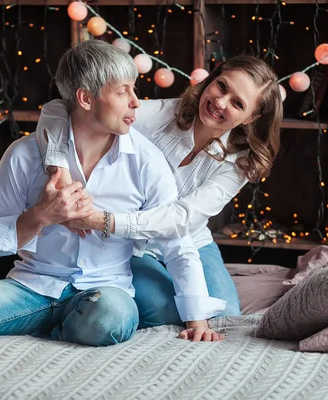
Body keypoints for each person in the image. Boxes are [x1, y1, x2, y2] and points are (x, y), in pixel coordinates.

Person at [0, 40, 226, 356]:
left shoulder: (147, 161)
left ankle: (56, 333)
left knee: (112, 318)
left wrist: (197, 320)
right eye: (123, 91)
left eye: (135, 89)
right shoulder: (24, 155)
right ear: (86, 98)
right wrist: (41, 215)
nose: (135, 102)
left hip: (104, 292)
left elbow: (177, 243)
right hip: (30, 288)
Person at [36, 54, 283, 328]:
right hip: (128, 244)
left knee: (225, 318)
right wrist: (60, 171)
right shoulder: (158, 115)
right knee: (167, 313)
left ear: (253, 117)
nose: (220, 103)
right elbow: (58, 109)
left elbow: (180, 218)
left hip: (188, 241)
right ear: (212, 79)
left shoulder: (242, 161)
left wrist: (101, 220)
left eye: (238, 104)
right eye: (222, 86)